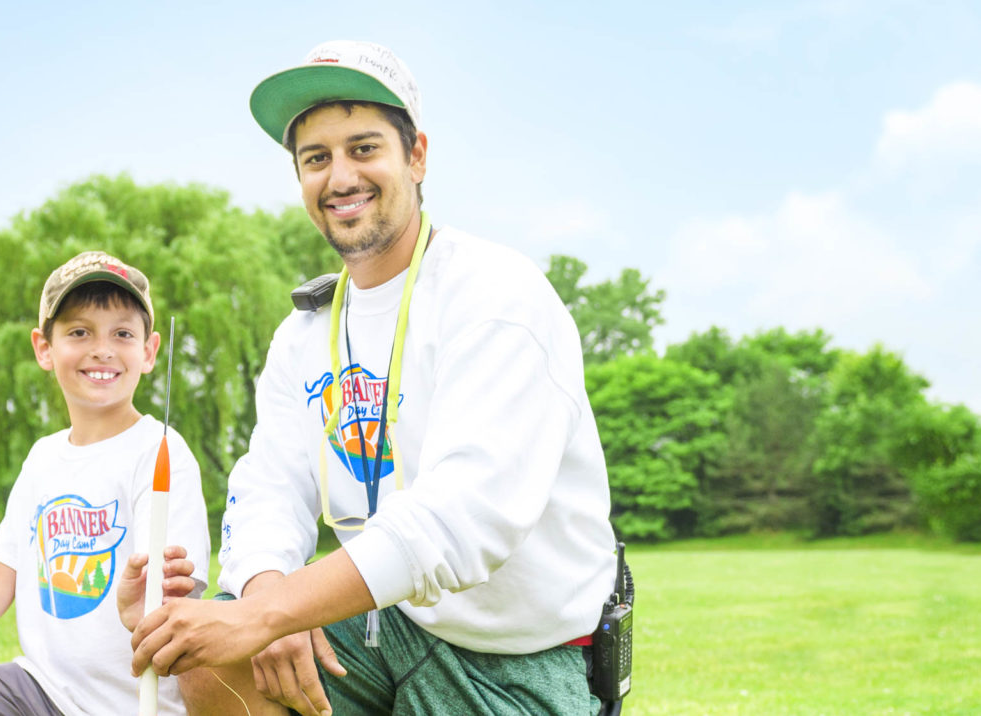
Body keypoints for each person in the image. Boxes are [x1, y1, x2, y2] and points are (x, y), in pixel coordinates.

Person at [130, 41, 618, 716]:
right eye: (316, 158)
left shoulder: (495, 294)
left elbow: (462, 519)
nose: (339, 177)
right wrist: (265, 597)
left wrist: (269, 614)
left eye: (364, 149)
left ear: (416, 156)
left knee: (249, 629)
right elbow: (269, 486)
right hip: (382, 627)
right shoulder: (303, 332)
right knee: (220, 663)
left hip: (517, 658)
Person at [0, 251, 211, 716]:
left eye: (123, 333)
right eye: (78, 331)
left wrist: (160, 594)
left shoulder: (159, 451)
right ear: (44, 348)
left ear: (149, 352)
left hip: (130, 703)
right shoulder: (42, 457)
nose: (102, 349)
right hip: (39, 689)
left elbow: (172, 599)